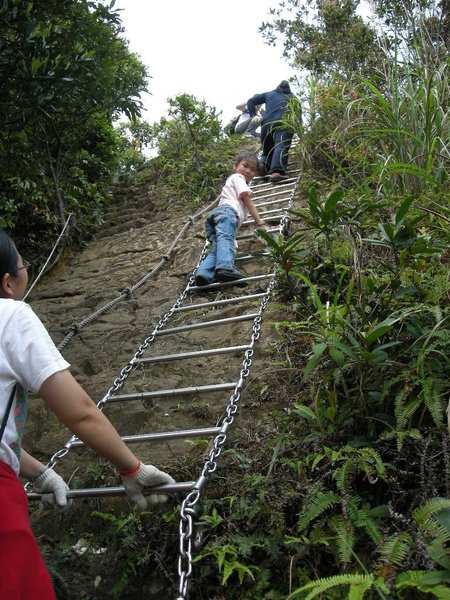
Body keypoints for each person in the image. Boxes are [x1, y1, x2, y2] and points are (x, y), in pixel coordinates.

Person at [0, 229, 175, 599]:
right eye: (23, 266)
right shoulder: (10, 314)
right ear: (8, 282)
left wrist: (40, 473)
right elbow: (79, 412)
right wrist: (132, 468)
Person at [194, 152, 267, 287]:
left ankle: (204, 273)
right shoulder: (238, 178)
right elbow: (247, 200)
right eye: (245, 166)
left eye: (253, 170)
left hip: (217, 216)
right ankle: (225, 267)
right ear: (235, 165)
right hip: (227, 213)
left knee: (218, 247)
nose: (248, 171)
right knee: (226, 239)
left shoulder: (234, 180)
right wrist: (258, 221)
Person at [246, 80, 296, 183]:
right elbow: (297, 116)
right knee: (281, 145)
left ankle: (264, 164)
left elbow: (250, 101)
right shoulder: (294, 98)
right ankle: (276, 172)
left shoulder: (269, 94)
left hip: (266, 124)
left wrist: (253, 116)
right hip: (284, 124)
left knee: (267, 150)